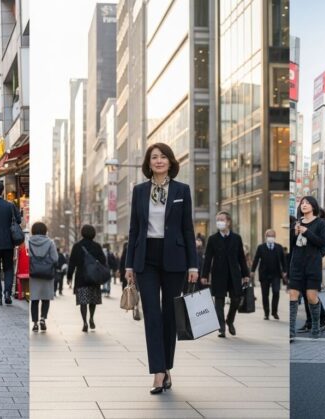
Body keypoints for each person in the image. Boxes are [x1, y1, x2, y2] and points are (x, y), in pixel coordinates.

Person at [124, 142, 198, 394]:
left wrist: (194, 264)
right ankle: (157, 372)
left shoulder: (182, 190)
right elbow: (134, 229)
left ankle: (166, 367)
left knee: (169, 315)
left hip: (174, 259)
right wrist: (129, 264)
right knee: (152, 316)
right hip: (146, 258)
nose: (158, 161)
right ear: (148, 162)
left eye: (163, 157)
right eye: (154, 157)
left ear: (170, 162)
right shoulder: (139, 191)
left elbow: (188, 230)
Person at [202, 212, 250, 338]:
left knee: (236, 299)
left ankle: (230, 320)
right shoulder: (212, 239)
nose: (219, 222)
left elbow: (241, 258)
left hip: (234, 274)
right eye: (217, 220)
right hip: (218, 274)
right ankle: (221, 327)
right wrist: (204, 275)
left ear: (228, 222)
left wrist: (246, 274)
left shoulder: (236, 238)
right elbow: (207, 258)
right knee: (219, 301)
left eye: (222, 219)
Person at [289, 196, 325, 339]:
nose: (304, 205)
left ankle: (316, 326)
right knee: (293, 296)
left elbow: (322, 243)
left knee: (312, 298)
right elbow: (292, 245)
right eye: (302, 203)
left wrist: (306, 232)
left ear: (313, 206)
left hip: (312, 265)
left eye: (307, 203)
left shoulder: (320, 223)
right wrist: (294, 233)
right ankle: (291, 332)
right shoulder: (296, 223)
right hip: (296, 265)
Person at [68, 225, 106, 332]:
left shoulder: (77, 246)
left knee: (83, 301)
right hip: (93, 278)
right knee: (92, 300)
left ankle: (84, 322)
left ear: (82, 233)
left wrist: (69, 276)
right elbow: (103, 261)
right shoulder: (97, 246)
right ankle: (91, 318)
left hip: (81, 278)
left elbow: (72, 262)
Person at [28, 222, 58, 332]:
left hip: (33, 274)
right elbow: (55, 258)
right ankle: (42, 319)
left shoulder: (29, 242)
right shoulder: (50, 242)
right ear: (45, 230)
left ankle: (35, 323)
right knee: (45, 298)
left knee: (34, 299)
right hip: (47, 274)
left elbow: (28, 257)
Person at [251, 229, 287, 320]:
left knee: (276, 292)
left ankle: (274, 312)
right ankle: (266, 313)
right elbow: (256, 259)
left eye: (272, 236)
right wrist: (252, 271)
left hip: (276, 274)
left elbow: (284, 260)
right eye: (269, 236)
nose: (271, 237)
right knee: (265, 294)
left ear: (275, 237)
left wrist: (285, 271)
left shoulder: (279, 247)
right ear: (265, 237)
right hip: (264, 274)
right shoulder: (261, 247)